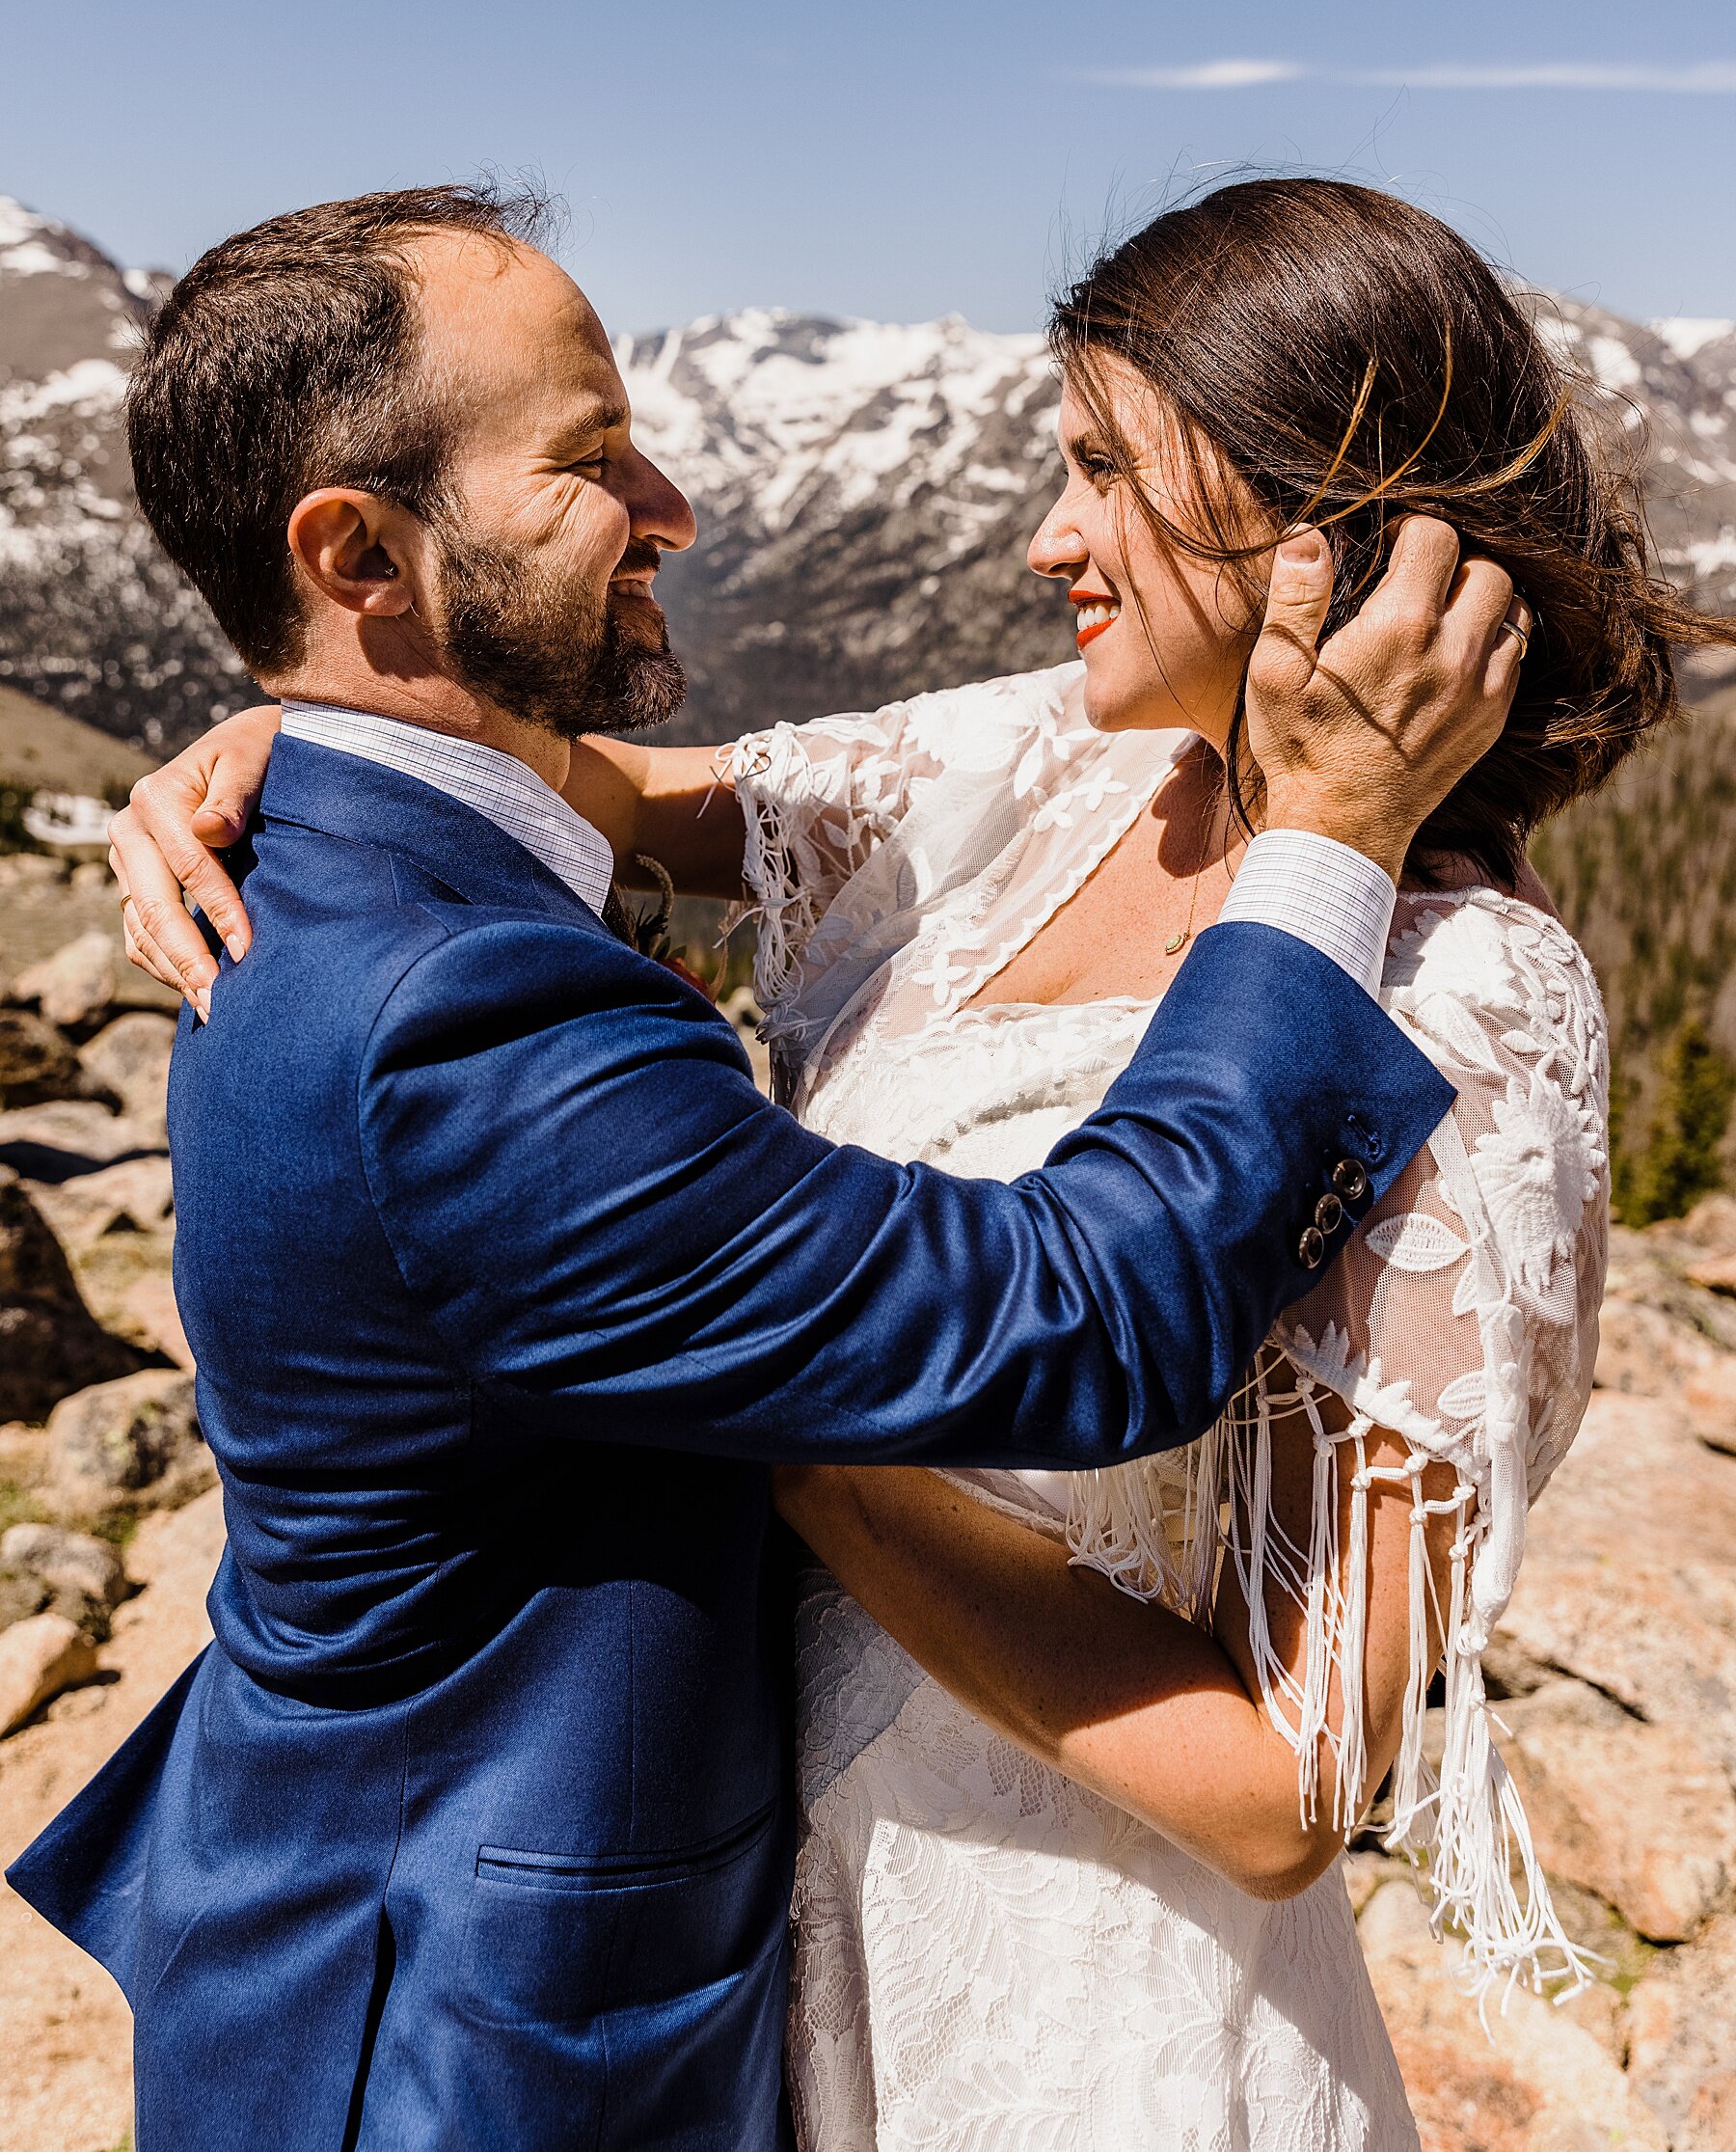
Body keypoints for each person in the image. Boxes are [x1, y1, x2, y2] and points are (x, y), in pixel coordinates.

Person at [64, 181, 1523, 2152]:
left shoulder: (360, 872)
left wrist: (291, 723)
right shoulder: (452, 1025)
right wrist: (1333, 841)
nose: (672, 505)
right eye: (590, 462)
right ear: (363, 554)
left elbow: (641, 793)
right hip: (461, 2042)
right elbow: (1092, 1317)